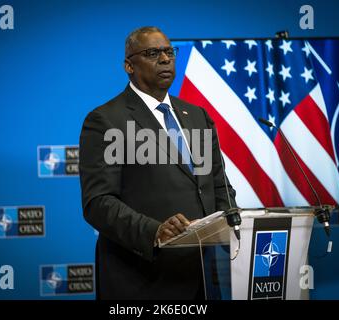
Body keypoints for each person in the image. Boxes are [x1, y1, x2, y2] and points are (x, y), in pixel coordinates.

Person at [79, 26, 236, 300]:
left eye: (168, 52)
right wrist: (156, 231)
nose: (165, 59)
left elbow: (218, 185)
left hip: (204, 278)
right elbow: (98, 202)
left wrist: (233, 223)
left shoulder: (197, 116)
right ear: (129, 65)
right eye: (152, 53)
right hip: (142, 280)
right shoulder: (106, 120)